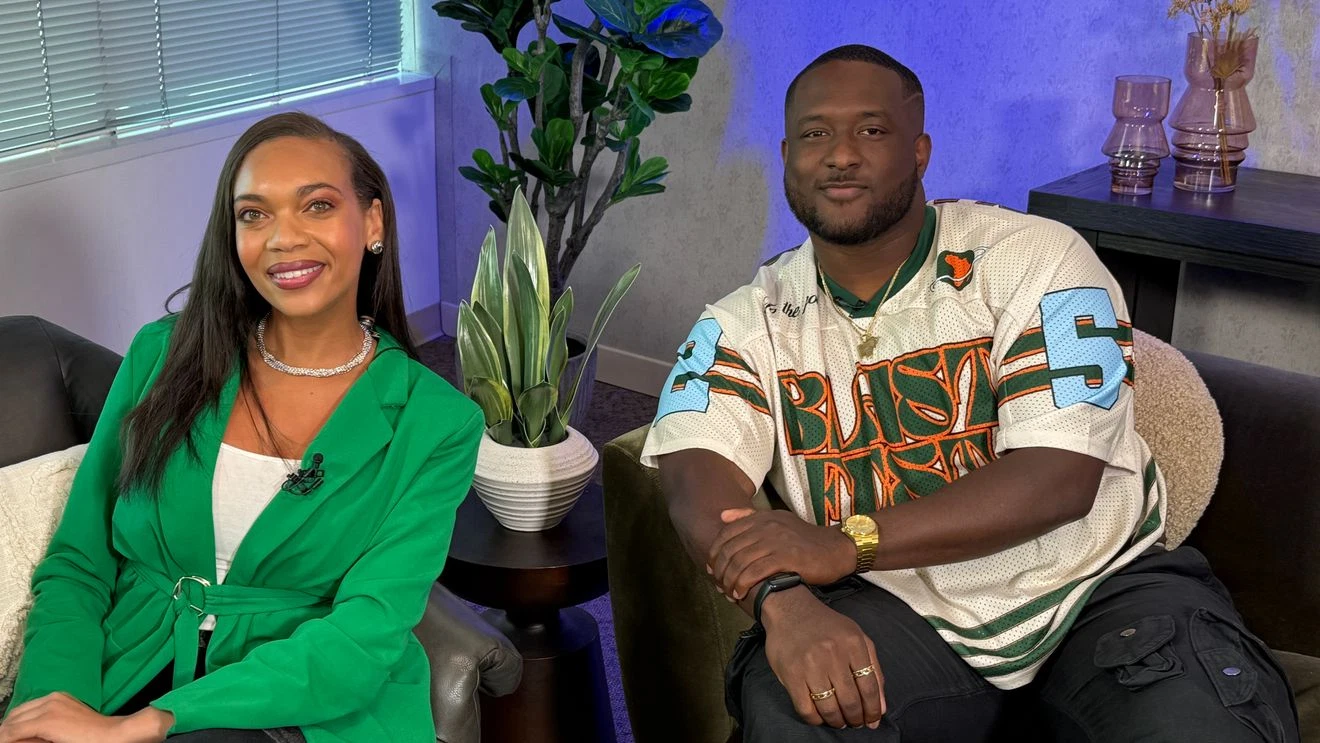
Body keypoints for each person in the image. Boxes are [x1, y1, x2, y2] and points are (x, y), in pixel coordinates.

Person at [643, 45, 1299, 742]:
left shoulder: (1039, 258)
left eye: (870, 130)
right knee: (796, 705)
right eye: (814, 134)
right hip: (899, 612)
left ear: (920, 150)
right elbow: (694, 472)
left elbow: (1060, 477)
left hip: (1099, 588)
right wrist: (782, 598)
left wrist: (846, 543)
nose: (839, 155)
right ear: (785, 155)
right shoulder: (748, 319)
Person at [0, 112, 484, 743]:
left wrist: (154, 722)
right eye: (254, 214)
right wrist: (52, 706)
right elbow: (79, 562)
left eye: (316, 205)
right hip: (124, 671)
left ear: (372, 223)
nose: (283, 238)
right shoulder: (162, 356)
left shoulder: (437, 423)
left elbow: (362, 634)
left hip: (299, 702)